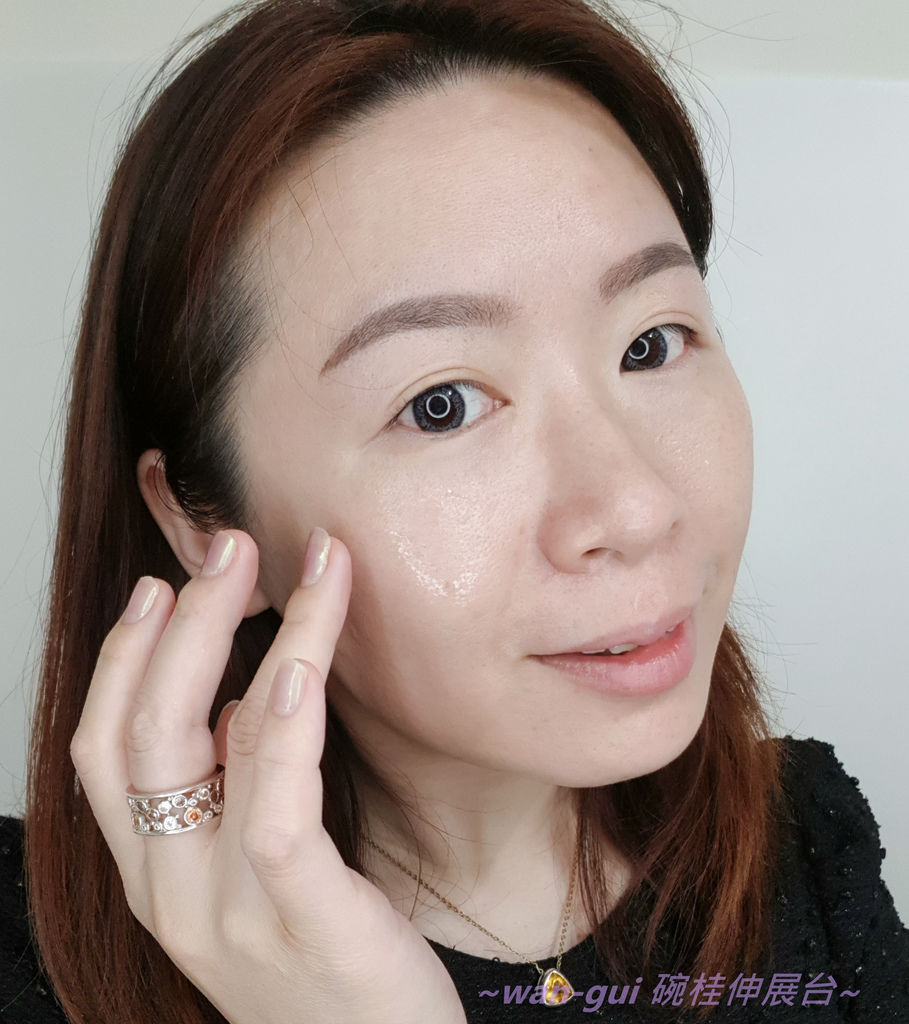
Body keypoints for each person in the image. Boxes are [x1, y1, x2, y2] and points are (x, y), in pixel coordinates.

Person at [2, 0, 907, 1021]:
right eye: (442, 405)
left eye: (650, 344)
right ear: (205, 525)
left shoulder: (806, 850)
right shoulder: (25, 964)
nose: (637, 508)